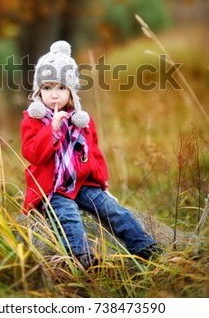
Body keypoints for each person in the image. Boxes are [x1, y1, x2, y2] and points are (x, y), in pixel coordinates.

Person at [21, 40, 161, 269]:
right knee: (69, 217)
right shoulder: (33, 121)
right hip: (53, 188)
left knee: (114, 210)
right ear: (38, 92)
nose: (54, 95)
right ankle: (83, 258)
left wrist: (103, 187)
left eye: (61, 88)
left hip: (83, 183)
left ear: (71, 92)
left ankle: (144, 246)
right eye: (47, 88)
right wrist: (52, 129)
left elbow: (94, 154)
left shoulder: (81, 121)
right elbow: (33, 154)